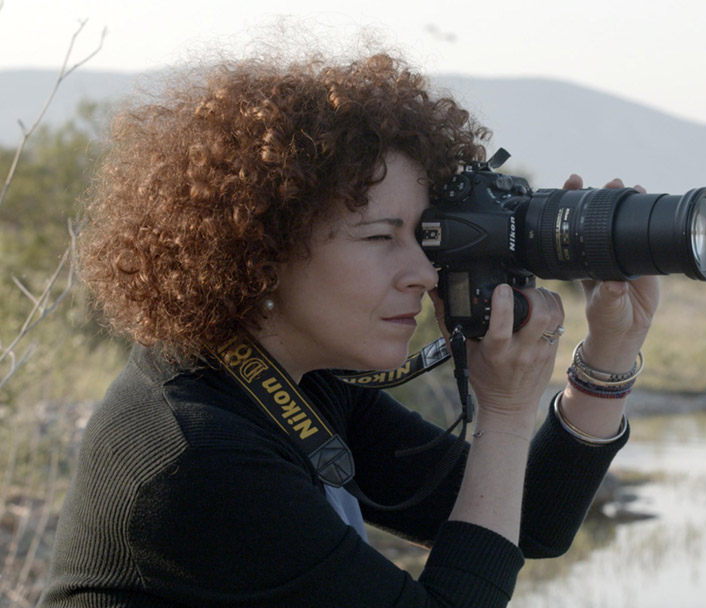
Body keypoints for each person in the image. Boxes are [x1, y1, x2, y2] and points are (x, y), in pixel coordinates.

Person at [41, 49, 660, 608]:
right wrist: (503, 415)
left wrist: (609, 355)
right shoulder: (194, 456)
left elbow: (529, 523)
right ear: (260, 250)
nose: (422, 273)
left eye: (421, 236)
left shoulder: (299, 381)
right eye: (379, 238)